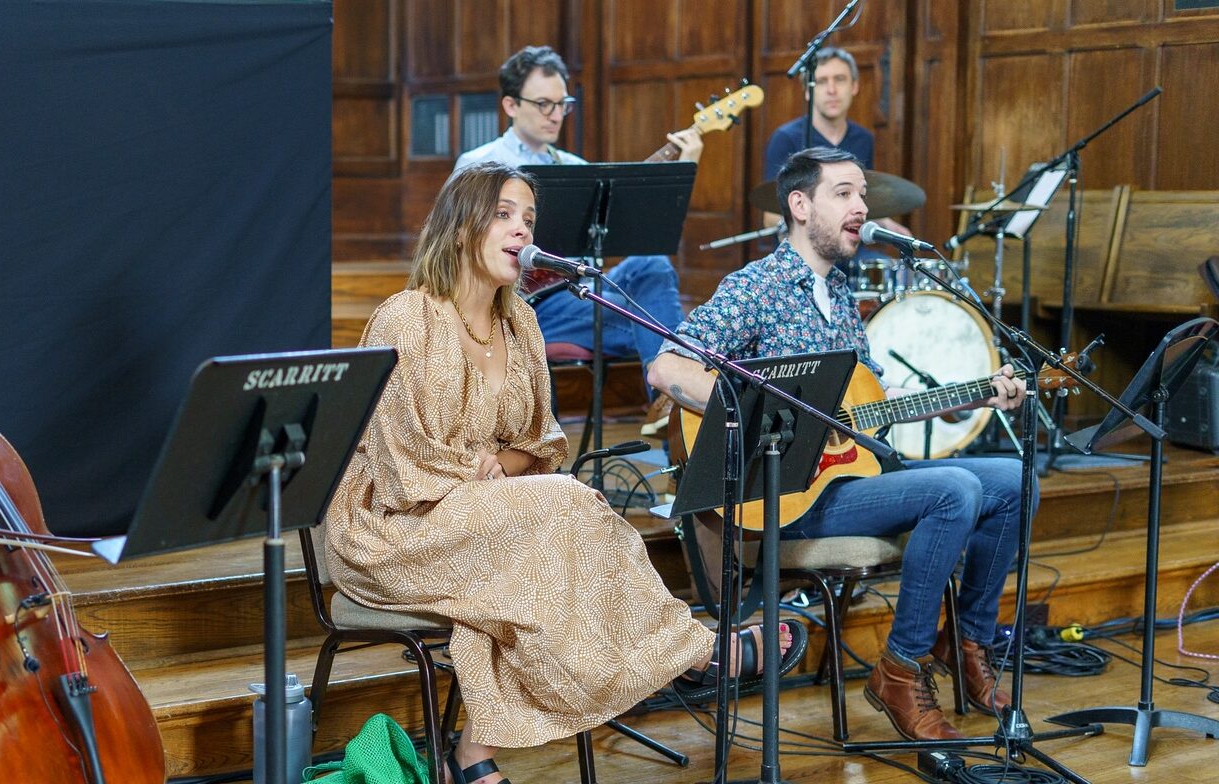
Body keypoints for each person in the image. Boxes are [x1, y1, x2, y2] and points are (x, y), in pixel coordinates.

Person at [324, 161, 804, 784]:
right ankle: (694, 652)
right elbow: (395, 459)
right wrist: (485, 482)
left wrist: (504, 466)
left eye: (529, 218)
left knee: (551, 522)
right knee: (566, 507)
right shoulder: (406, 317)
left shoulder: (520, 322)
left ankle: (471, 754)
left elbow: (541, 442)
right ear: (460, 225)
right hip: (392, 527)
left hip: (484, 514)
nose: (522, 230)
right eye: (503, 215)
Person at [648, 147, 1033, 742]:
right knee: (953, 488)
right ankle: (901, 671)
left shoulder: (842, 292)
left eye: (862, 196)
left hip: (845, 480)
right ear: (800, 206)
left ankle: (967, 641)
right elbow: (668, 368)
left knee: (1015, 480)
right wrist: (768, 412)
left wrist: (969, 395)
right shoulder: (758, 285)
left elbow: (873, 395)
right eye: (845, 194)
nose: (861, 207)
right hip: (785, 493)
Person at [454, 45, 701, 369]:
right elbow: (461, 251)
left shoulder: (575, 167)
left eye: (563, 104)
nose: (556, 115)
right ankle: (674, 400)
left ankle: (665, 407)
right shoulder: (479, 165)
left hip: (578, 288)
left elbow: (633, 229)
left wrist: (680, 171)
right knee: (656, 327)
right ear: (510, 105)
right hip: (524, 302)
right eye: (544, 104)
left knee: (651, 265)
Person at [760, 47, 912, 241]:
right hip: (804, 251)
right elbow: (771, 217)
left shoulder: (864, 139)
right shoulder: (785, 138)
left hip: (849, 251)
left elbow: (859, 200)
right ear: (808, 91)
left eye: (839, 79)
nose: (832, 90)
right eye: (822, 82)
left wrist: (884, 223)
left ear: (854, 86)